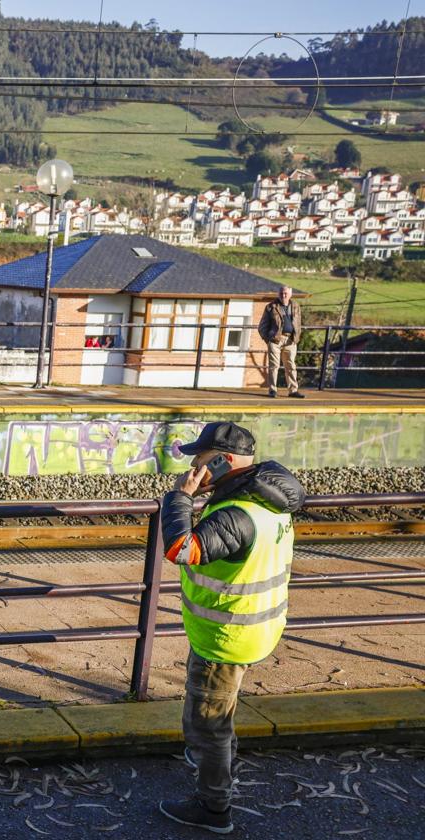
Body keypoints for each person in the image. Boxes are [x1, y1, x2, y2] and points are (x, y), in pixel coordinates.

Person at [158, 421, 304, 834]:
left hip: (226, 636)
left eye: (200, 460)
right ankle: (216, 756)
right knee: (219, 712)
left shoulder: (237, 514)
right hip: (253, 625)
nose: (193, 468)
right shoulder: (267, 502)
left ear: (222, 462)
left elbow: (181, 549)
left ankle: (213, 806)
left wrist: (181, 497)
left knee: (208, 723)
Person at [258, 286, 304, 399]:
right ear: (278, 294)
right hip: (275, 340)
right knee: (274, 366)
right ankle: (272, 390)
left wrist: (297, 337)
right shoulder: (270, 307)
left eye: (286, 293)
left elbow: (298, 324)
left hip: (290, 340)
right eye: (281, 293)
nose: (283, 295)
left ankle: (293, 390)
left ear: (290, 294)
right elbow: (262, 327)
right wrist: (268, 340)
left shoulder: (296, 306)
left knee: (291, 366)